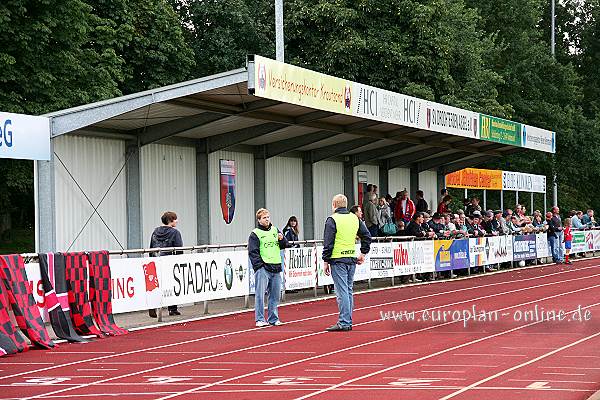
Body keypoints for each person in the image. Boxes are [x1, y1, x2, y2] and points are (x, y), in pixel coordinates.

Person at [322, 194, 371, 331]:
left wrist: (326, 260)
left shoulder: (332, 219)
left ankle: (344, 322)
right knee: (348, 290)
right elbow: (366, 236)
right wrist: (363, 253)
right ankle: (347, 320)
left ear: (334, 205)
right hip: (351, 258)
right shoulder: (354, 218)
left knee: (342, 291)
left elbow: (328, 242)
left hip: (338, 259)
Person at [248, 208, 290, 327]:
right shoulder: (255, 234)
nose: (267, 219)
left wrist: (282, 239)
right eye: (264, 218)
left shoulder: (275, 230)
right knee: (260, 295)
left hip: (276, 267)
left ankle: (273, 318)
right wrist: (259, 266)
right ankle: (260, 319)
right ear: (259, 220)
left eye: (268, 217)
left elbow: (285, 245)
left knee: (275, 295)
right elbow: (253, 252)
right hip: (263, 268)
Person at [148, 211, 183, 318]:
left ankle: (153, 305)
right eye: (175, 219)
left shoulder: (155, 232)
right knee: (171, 284)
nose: (177, 221)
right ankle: (172, 309)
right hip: (169, 261)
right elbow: (179, 249)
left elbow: (151, 247)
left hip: (156, 261)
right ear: (170, 220)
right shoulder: (175, 233)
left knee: (155, 285)